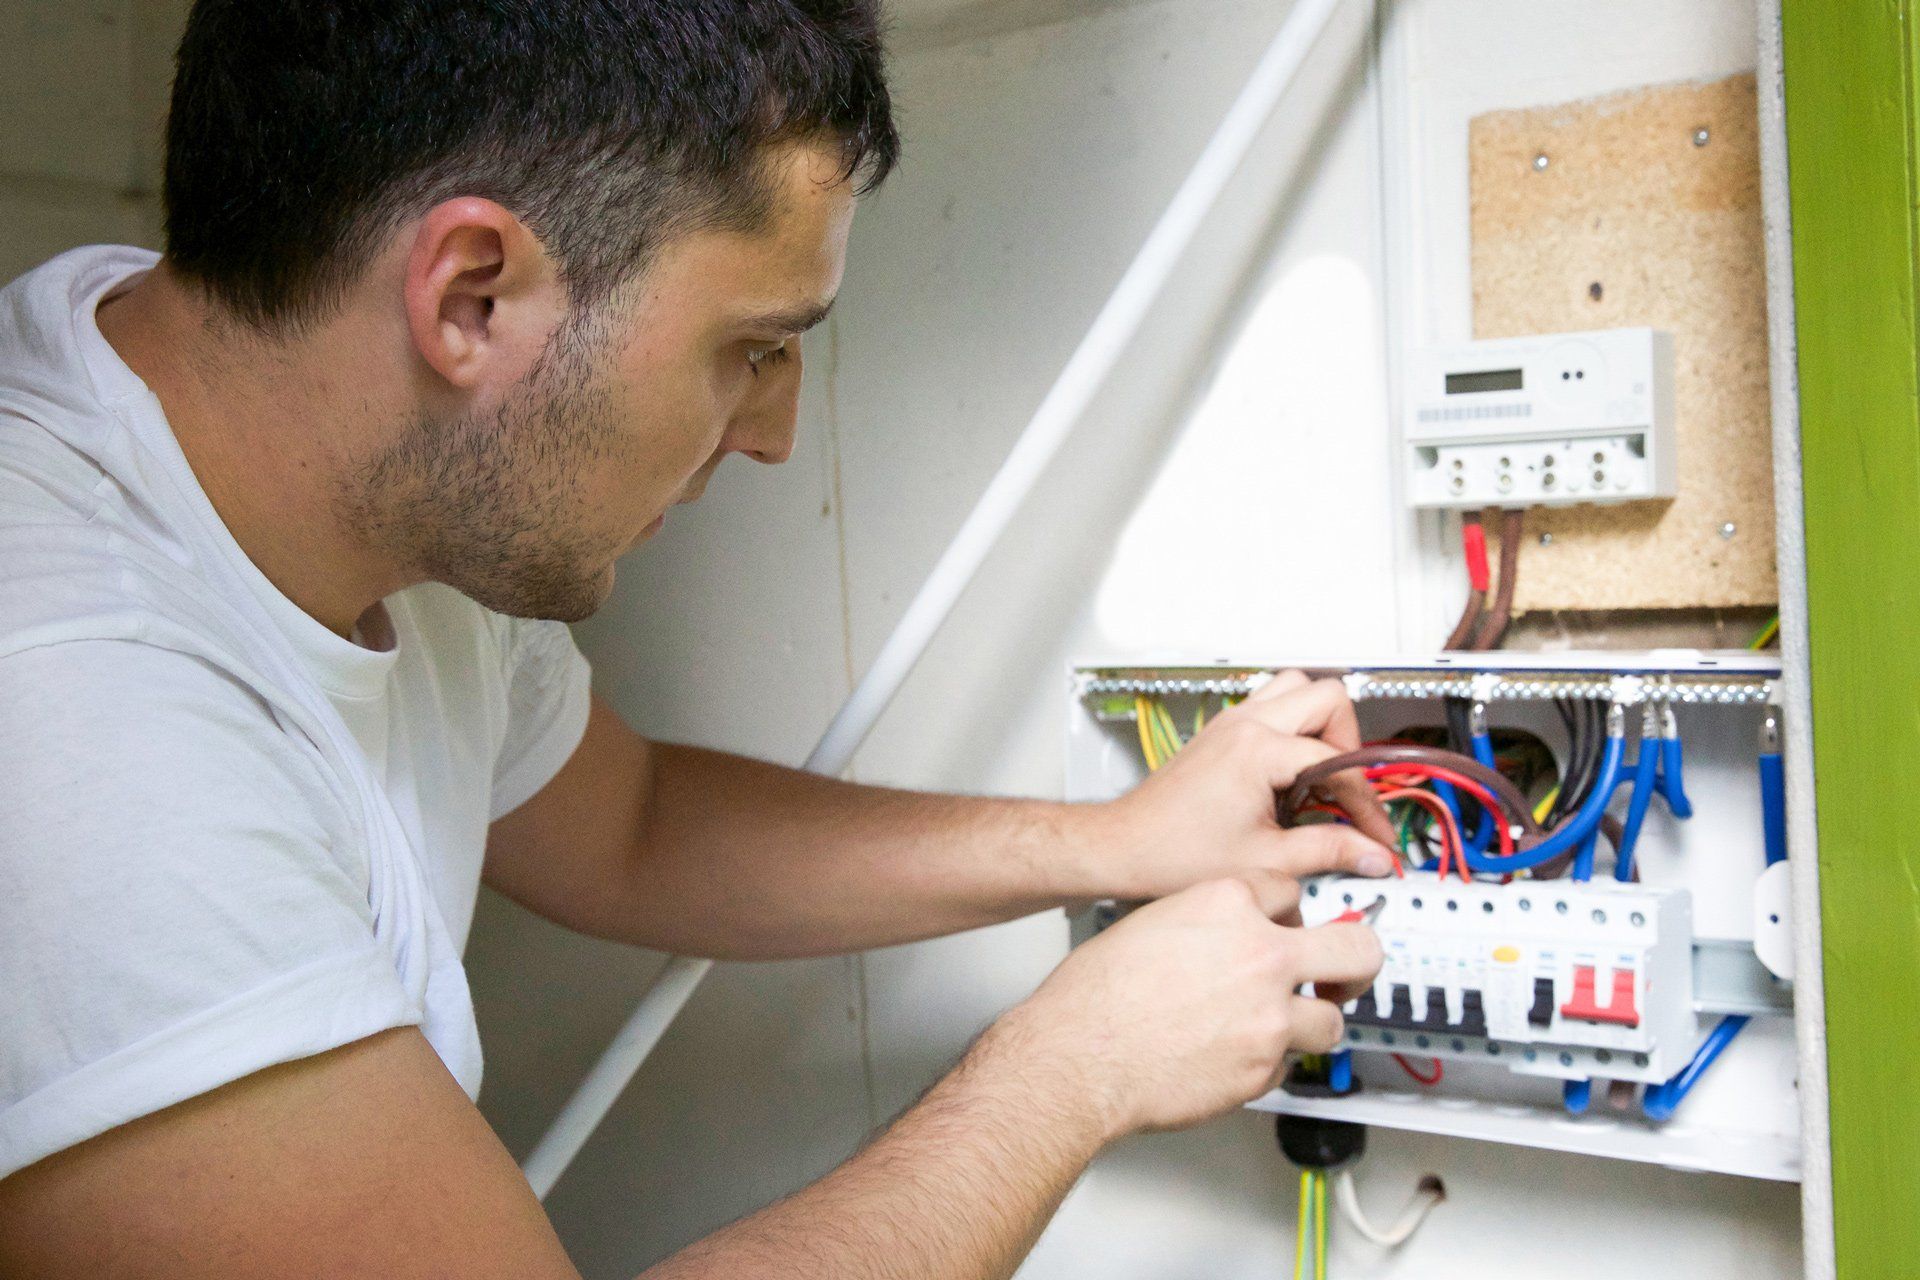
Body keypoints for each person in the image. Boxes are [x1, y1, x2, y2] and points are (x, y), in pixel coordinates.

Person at [0, 3, 1393, 1276]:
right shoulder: (69, 711)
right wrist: (1078, 1065)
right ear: (471, 293)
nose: (776, 434)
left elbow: (632, 825)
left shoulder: (325, 441)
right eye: (753, 346)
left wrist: (1112, 843)